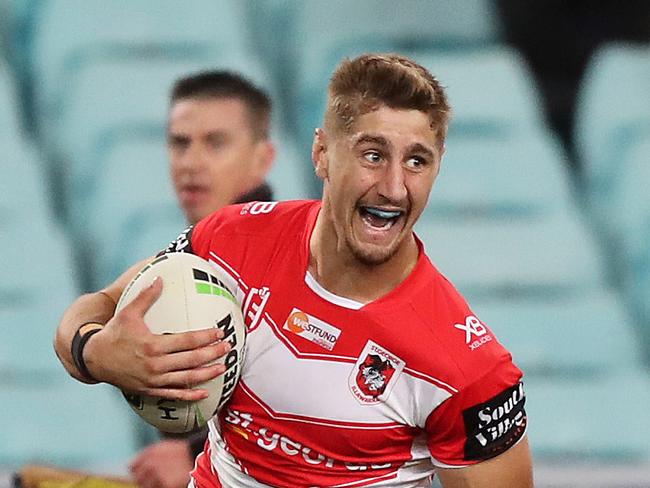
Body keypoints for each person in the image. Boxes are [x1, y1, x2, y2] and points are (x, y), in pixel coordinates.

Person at [54, 53, 533, 487]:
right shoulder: (230, 240)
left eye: (416, 161)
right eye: (373, 155)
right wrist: (95, 352)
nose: (393, 187)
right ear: (322, 153)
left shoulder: (469, 370)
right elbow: (97, 306)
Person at [129, 70, 276, 488]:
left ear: (263, 158)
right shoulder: (184, 259)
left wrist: (194, 456)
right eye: (180, 143)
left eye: (215, 143)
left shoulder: (289, 258)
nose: (191, 162)